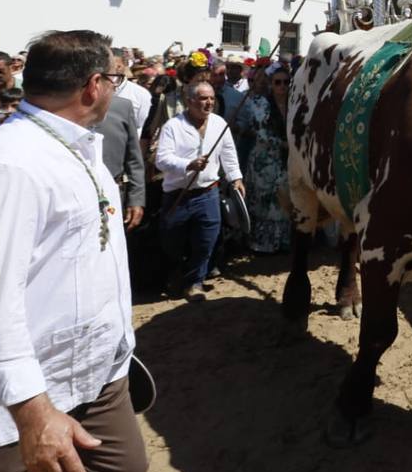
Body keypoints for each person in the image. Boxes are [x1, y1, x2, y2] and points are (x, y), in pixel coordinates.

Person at [0, 30, 147, 472]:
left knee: (124, 469)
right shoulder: (11, 163)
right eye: (115, 81)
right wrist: (31, 408)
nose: (114, 91)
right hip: (26, 394)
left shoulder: (78, 142)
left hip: (98, 371)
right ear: (94, 85)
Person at [155, 80, 243, 301]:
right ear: (190, 101)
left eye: (212, 98)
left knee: (206, 241)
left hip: (208, 193)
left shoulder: (219, 123)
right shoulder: (173, 126)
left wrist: (236, 178)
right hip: (178, 195)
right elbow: (162, 159)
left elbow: (229, 154)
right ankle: (176, 274)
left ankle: (195, 283)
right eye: (204, 98)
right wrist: (187, 164)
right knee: (172, 242)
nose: (209, 103)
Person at [237, 65, 292, 254]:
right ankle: (262, 243)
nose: (282, 86)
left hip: (286, 160)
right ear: (271, 84)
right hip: (264, 160)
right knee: (264, 202)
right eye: (278, 82)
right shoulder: (260, 103)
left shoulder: (294, 103)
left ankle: (282, 241)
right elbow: (261, 133)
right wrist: (284, 144)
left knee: (283, 201)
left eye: (286, 82)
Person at [95, 96, 145, 232]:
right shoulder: (60, 103)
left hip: (114, 195)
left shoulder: (122, 106)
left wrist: (136, 199)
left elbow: (133, 158)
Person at [110, 50, 151, 140]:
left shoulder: (140, 94)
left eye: (118, 67)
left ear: (125, 65)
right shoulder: (95, 90)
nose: (113, 70)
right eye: (109, 66)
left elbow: (141, 124)